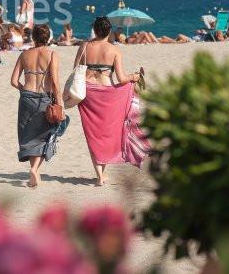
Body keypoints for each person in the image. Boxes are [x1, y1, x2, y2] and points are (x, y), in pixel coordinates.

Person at [73, 16, 144, 186]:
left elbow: (76, 69)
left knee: (92, 134)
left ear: (95, 30)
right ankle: (101, 174)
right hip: (106, 93)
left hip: (87, 93)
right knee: (106, 133)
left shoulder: (84, 46)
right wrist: (134, 77)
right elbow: (121, 78)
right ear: (109, 31)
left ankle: (99, 175)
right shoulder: (114, 50)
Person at [10, 24, 65, 188]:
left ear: (33, 38)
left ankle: (33, 169)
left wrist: (24, 91)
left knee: (29, 134)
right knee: (44, 134)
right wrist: (59, 102)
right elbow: (54, 81)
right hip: (44, 97)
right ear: (48, 38)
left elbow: (13, 81)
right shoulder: (52, 54)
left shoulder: (24, 55)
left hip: (27, 96)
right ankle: (34, 169)